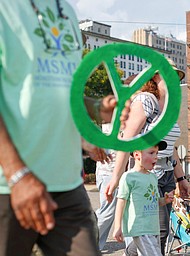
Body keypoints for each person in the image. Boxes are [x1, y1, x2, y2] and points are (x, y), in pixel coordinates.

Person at [0, 1, 130, 255]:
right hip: (8, 185)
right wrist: (17, 175)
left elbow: (63, 90)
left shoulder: (66, 12)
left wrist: (96, 106)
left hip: (67, 185)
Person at [106, 60, 190, 255]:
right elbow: (127, 140)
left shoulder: (169, 107)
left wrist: (181, 179)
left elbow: (170, 148)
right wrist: (115, 177)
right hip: (146, 174)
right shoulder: (146, 100)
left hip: (167, 175)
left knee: (159, 232)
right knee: (147, 231)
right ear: (155, 76)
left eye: (177, 76)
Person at [113, 141, 174, 256]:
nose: (156, 157)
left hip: (153, 228)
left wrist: (164, 200)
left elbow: (154, 201)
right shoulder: (129, 177)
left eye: (156, 153)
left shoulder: (152, 177)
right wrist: (117, 227)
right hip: (140, 228)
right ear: (137, 155)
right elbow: (121, 201)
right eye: (151, 153)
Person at [95, 124, 118, 251]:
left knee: (110, 212)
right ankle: (86, 243)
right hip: (110, 171)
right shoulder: (116, 114)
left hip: (111, 171)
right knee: (107, 212)